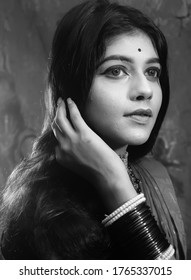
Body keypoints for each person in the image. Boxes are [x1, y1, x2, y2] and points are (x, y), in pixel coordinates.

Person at [0, 0, 187, 260]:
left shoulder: (153, 176)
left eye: (152, 72)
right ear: (72, 85)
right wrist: (113, 182)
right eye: (116, 71)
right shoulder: (41, 211)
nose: (145, 90)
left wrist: (117, 181)